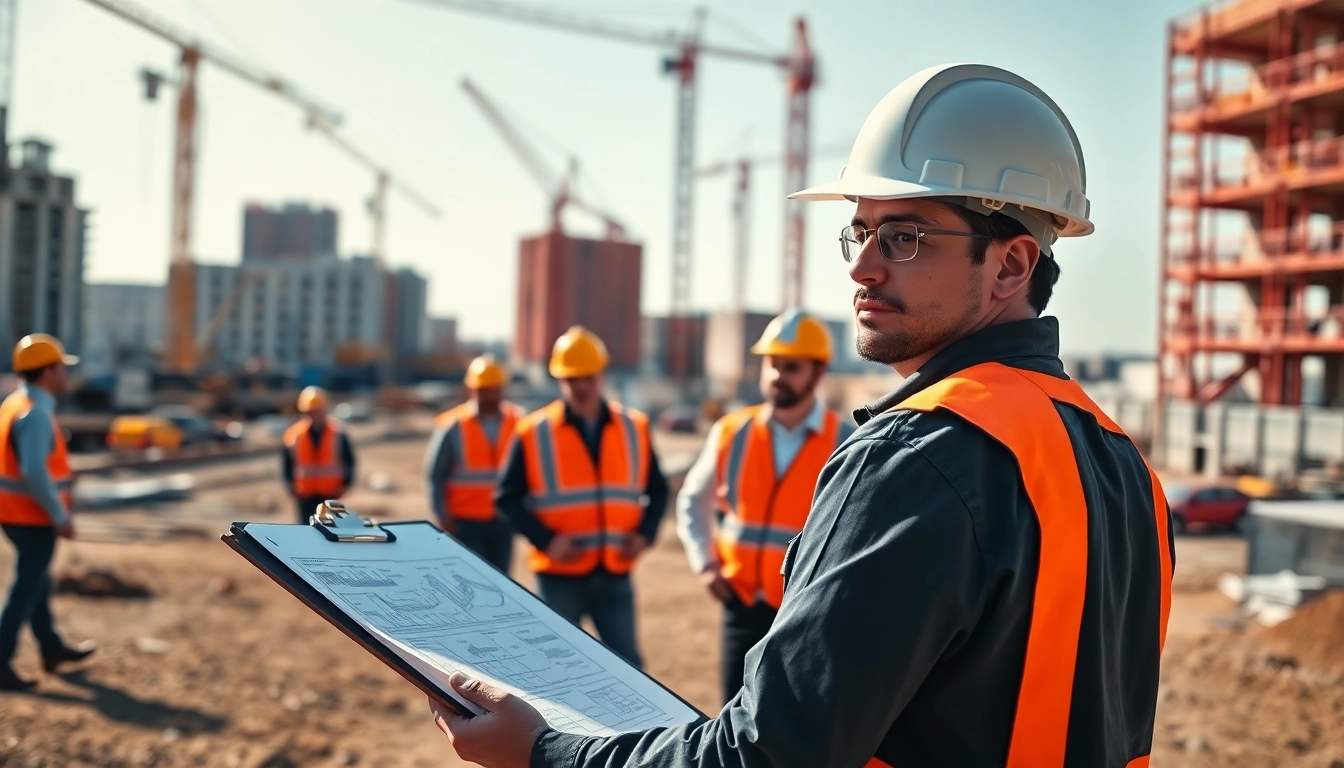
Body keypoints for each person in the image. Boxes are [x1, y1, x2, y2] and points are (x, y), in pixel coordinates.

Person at [428, 63, 1174, 768]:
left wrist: (544, 752)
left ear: (1011, 265)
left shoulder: (924, 456)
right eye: (861, 230)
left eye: (905, 236)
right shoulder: (1121, 465)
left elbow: (765, 753)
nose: (861, 266)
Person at [676, 308, 855, 704]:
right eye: (771, 364)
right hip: (741, 607)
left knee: (794, 722)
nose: (777, 375)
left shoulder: (848, 440)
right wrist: (705, 563)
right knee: (730, 723)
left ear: (818, 373)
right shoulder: (731, 431)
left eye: (791, 367)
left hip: (805, 612)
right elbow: (693, 500)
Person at [494, 326, 669, 668]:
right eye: (572, 378)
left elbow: (658, 490)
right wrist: (547, 541)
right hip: (559, 574)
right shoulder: (533, 431)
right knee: (556, 666)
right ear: (560, 379)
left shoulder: (634, 427)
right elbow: (506, 499)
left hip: (615, 571)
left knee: (630, 668)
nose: (581, 386)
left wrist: (645, 534)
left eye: (587, 377)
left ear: (601, 374)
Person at [0, 334, 97, 690]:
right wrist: (60, 514)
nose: (66, 375)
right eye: (62, 368)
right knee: (26, 587)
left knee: (36, 583)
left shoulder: (13, 403)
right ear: (48, 371)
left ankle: (52, 648)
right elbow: (35, 471)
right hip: (32, 515)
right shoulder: (37, 413)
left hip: (12, 512)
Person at [424, 355, 524, 572]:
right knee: (469, 580)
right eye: (483, 390)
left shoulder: (519, 422)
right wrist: (443, 515)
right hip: (464, 522)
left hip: (503, 521)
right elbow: (435, 475)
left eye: (493, 390)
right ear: (471, 390)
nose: (489, 396)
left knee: (501, 583)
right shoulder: (453, 425)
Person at [282, 386, 355, 524]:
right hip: (305, 496)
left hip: (331, 496)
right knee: (307, 534)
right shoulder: (293, 435)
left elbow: (349, 461)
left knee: (331, 533)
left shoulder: (338, 433)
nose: (313, 416)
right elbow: (287, 465)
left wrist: (345, 484)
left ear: (324, 411)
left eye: (316, 412)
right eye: (309, 412)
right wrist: (291, 487)